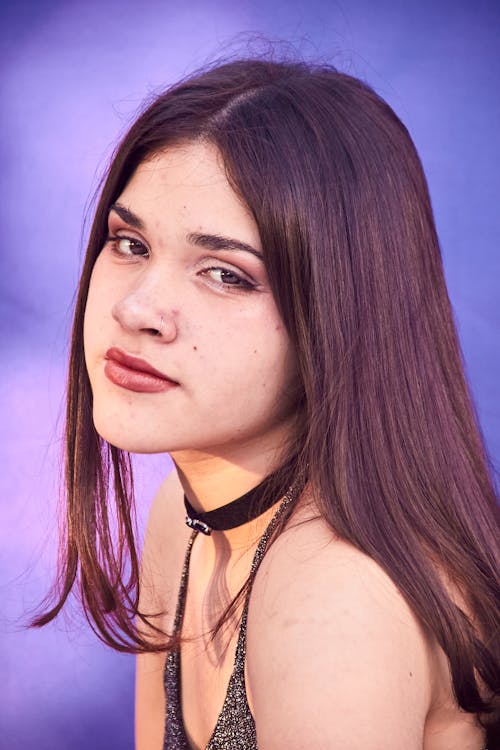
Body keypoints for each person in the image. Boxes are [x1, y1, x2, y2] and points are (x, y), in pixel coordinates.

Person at [33, 57, 499, 749]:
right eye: (129, 243)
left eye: (225, 274)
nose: (136, 310)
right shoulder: (184, 517)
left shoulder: (335, 606)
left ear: (340, 313)